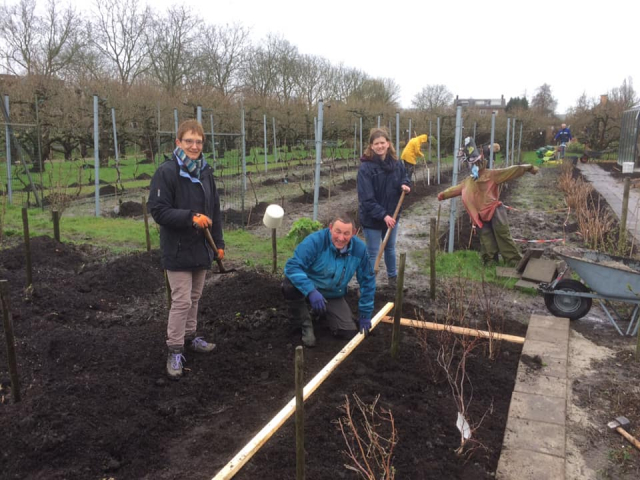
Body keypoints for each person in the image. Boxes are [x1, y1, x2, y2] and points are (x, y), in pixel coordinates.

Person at [148, 119, 224, 380]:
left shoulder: (205, 172)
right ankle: (175, 349)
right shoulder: (167, 172)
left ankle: (191, 337)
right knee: (181, 301)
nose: (194, 146)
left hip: (201, 249)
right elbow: (158, 211)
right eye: (189, 141)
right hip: (178, 250)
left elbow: (215, 211)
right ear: (178, 143)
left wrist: (219, 244)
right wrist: (191, 217)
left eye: (199, 142)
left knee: (195, 297)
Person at [437, 137, 539, 266]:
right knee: (486, 239)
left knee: (503, 236)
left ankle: (513, 261)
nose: (475, 166)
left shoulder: (491, 174)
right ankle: (489, 261)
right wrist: (442, 195)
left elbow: (511, 171)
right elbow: (455, 189)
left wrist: (528, 167)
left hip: (494, 210)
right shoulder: (468, 181)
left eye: (477, 163)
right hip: (479, 216)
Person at [282, 213, 376, 347]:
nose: (341, 238)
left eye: (346, 233)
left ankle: (318, 313)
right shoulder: (315, 242)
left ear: (354, 233)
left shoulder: (359, 249)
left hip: (333, 293)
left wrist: (365, 314)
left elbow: (367, 281)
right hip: (308, 289)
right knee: (289, 285)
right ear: (330, 228)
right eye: (337, 232)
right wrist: (311, 291)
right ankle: (305, 324)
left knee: (347, 332)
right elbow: (292, 266)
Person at [357, 127, 411, 284]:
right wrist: (383, 215)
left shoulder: (397, 164)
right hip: (372, 217)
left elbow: (405, 177)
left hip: (392, 215)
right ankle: (368, 283)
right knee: (373, 252)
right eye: (376, 143)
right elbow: (366, 199)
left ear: (388, 144)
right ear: (371, 146)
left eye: (382, 142)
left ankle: (392, 279)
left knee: (390, 248)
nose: (380, 146)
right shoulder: (366, 168)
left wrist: (405, 185)